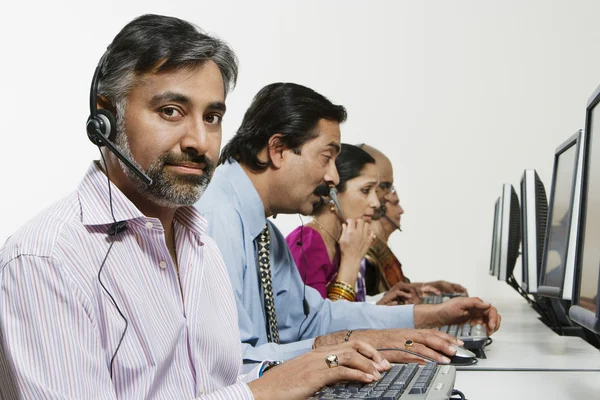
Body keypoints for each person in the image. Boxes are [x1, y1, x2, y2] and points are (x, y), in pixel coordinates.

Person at [0, 15, 394, 400]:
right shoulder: (45, 259)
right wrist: (267, 389)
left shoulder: (199, 243)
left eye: (212, 117)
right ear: (105, 117)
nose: (200, 141)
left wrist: (326, 364)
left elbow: (211, 382)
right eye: (171, 111)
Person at [196, 82, 501, 372]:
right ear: (277, 149)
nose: (333, 178)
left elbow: (310, 320)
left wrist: (431, 316)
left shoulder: (263, 232)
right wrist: (347, 346)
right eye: (326, 158)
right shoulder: (216, 218)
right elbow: (233, 364)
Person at [285, 143, 416, 305]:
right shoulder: (307, 245)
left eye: (375, 191)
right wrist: (351, 261)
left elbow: (345, 314)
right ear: (332, 194)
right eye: (366, 190)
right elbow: (319, 326)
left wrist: (377, 307)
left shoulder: (339, 240)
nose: (375, 203)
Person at [359, 144, 468, 298]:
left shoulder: (368, 243)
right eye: (385, 187)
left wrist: (425, 287)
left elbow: (388, 294)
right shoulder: (357, 247)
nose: (389, 195)